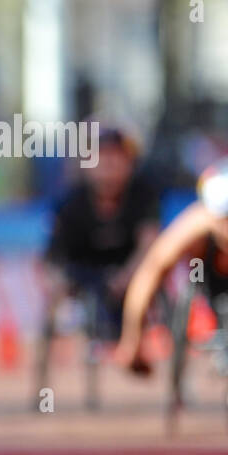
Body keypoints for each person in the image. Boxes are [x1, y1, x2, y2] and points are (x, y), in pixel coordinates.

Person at [116, 155, 228, 374]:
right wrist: (133, 340)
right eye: (227, 217)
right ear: (211, 214)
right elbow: (149, 274)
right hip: (210, 284)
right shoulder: (193, 229)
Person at [42, 122, 161, 343]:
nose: (108, 165)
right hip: (84, 271)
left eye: (116, 157)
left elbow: (150, 243)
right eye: (100, 157)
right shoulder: (70, 201)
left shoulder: (144, 195)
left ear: (129, 162)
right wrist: (59, 289)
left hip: (129, 272)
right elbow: (53, 256)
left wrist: (127, 278)